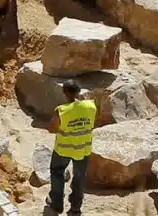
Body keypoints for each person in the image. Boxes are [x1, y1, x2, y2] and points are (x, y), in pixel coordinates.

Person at [46, 80, 95, 216]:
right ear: (79, 91)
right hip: (83, 148)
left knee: (57, 172)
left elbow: (51, 128)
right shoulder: (91, 106)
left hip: (63, 149)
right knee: (80, 177)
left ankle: (56, 204)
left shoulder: (61, 111)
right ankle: (75, 208)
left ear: (65, 92)